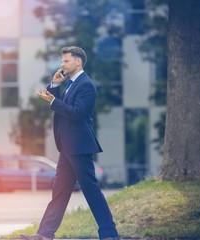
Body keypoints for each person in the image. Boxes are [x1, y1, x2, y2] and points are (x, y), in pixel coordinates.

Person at [20, 46, 120, 240]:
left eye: (66, 61)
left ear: (78, 61)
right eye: (62, 61)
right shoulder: (71, 84)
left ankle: (110, 234)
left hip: (79, 147)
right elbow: (62, 108)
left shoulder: (86, 84)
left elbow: (78, 113)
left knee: (91, 190)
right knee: (59, 192)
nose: (62, 64)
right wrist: (55, 86)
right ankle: (44, 234)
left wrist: (53, 101)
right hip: (67, 147)